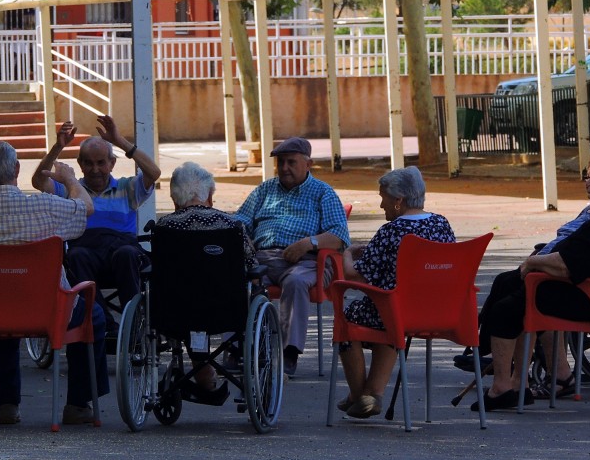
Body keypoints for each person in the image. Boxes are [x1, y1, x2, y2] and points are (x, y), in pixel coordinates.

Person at [0, 140, 107, 426]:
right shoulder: (44, 205)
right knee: (94, 314)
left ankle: (8, 405)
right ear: (17, 169)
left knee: (2, 300)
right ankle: (77, 403)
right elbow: (85, 208)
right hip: (50, 311)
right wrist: (71, 180)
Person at [473, 163, 590, 411]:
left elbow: (565, 265)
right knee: (509, 284)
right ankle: (516, 382)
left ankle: (501, 387)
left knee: (506, 309)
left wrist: (532, 261)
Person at [336, 167, 456, 419]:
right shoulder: (441, 223)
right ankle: (373, 393)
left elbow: (355, 276)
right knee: (388, 308)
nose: (381, 205)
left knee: (349, 317)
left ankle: (360, 396)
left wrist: (347, 254)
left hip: (398, 313)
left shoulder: (390, 232)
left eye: (383, 198)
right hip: (439, 311)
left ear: (398, 201)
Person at [235, 136, 350, 376]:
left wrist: (309, 243)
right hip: (262, 258)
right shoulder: (265, 189)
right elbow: (240, 223)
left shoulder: (323, 193)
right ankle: (235, 349)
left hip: (305, 263)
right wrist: (245, 244)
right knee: (234, 280)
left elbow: (339, 235)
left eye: (291, 162)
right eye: (281, 163)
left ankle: (288, 353)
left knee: (296, 282)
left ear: (308, 164)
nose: (284, 168)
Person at [33, 117, 160, 317]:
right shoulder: (71, 189)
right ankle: (103, 322)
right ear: (80, 164)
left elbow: (153, 173)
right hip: (87, 257)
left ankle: (134, 321)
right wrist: (58, 147)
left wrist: (119, 141)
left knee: (127, 253)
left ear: (112, 163)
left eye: (101, 163)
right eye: (89, 163)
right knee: (75, 256)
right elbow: (39, 180)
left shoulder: (128, 188)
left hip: (121, 257)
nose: (95, 170)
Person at [156, 161, 257, 394]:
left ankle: (203, 374)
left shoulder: (165, 227)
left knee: (190, 300)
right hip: (227, 311)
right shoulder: (232, 225)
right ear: (210, 195)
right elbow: (252, 264)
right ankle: (209, 374)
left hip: (175, 312)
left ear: (174, 199)